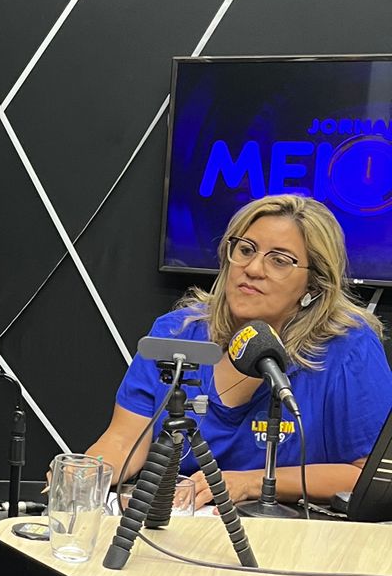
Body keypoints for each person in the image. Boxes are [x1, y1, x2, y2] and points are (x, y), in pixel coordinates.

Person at [87, 194, 392, 509]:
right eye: (246, 250)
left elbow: (369, 476)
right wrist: (86, 474)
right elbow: (123, 440)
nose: (253, 268)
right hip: (182, 520)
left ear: (313, 285)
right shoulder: (177, 332)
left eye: (279, 260)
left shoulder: (349, 347)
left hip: (294, 529)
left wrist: (248, 483)